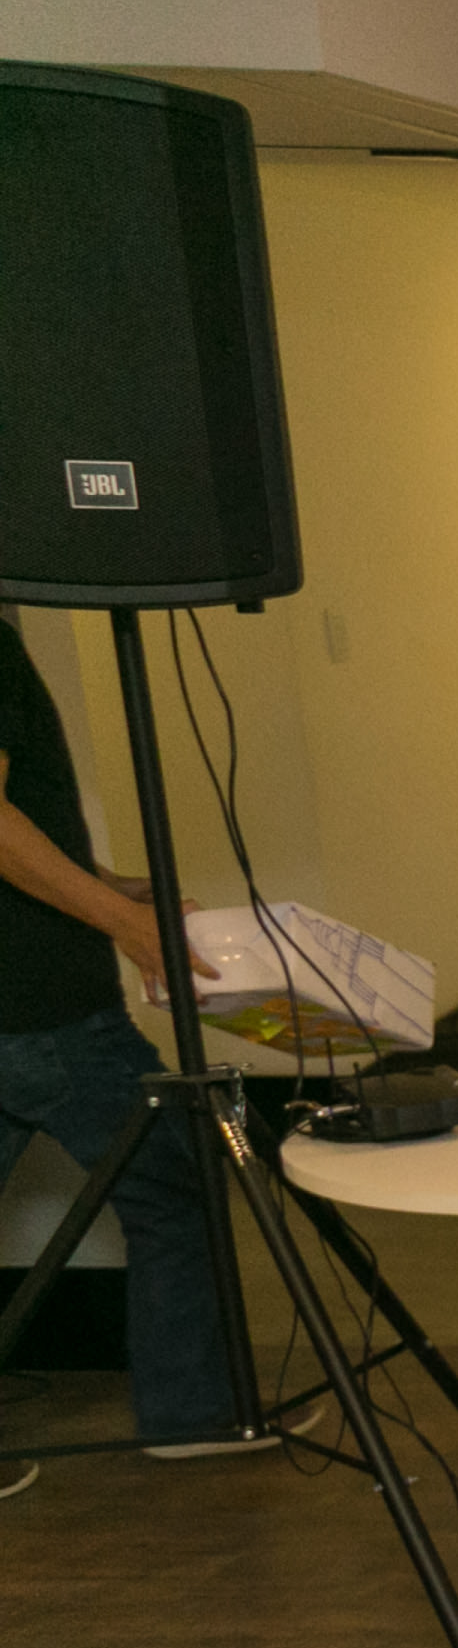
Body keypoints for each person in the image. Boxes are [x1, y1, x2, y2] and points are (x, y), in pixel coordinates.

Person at [0, 613, 245, 1478]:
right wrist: (125, 925)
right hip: (44, 1010)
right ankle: (193, 1414)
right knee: (180, 1185)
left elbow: (26, 818)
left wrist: (114, 888)